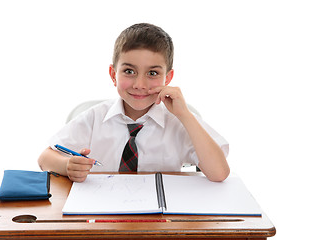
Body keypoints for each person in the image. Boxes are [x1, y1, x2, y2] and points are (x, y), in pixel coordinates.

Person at [38, 23, 230, 182]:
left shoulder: (178, 122)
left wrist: (185, 116)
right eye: (129, 71)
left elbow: (219, 173)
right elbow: (45, 158)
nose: (140, 85)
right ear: (113, 75)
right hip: (102, 216)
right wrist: (67, 165)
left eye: (152, 73)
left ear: (168, 78)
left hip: (161, 223)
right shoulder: (95, 117)